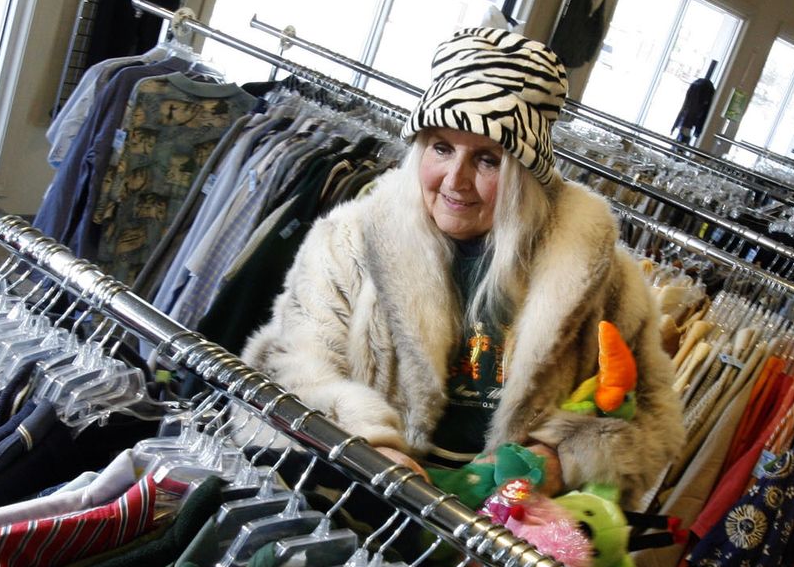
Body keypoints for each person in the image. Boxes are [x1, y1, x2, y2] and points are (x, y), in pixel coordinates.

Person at [242, 28, 681, 509]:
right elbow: (296, 369)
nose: (456, 181)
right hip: (353, 503)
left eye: (487, 159)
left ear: (523, 172)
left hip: (505, 536)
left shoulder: (598, 276)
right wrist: (372, 449)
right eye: (441, 148)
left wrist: (560, 463)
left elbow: (652, 420)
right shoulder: (348, 243)